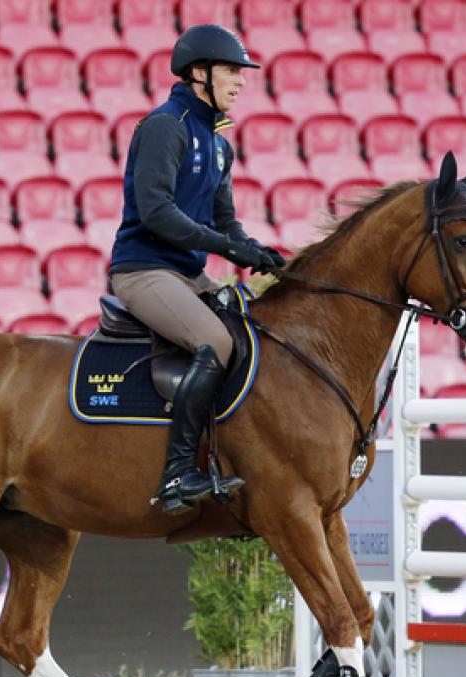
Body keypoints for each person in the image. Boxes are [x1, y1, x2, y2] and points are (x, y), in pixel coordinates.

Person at [109, 24, 286, 516]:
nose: (241, 81)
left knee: (253, 331)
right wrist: (229, 248)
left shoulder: (219, 142)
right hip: (144, 270)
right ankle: (177, 475)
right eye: (231, 71)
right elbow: (156, 212)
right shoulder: (165, 126)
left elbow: (226, 221)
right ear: (199, 73)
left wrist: (257, 251)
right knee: (216, 341)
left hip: (187, 275)